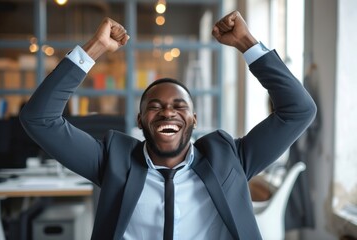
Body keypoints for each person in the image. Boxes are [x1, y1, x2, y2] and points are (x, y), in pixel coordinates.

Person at [20, 10, 316, 240]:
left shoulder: (229, 158)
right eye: (155, 106)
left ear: (193, 120)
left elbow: (298, 110)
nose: (167, 113)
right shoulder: (113, 161)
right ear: (139, 121)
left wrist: (246, 44)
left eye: (179, 106)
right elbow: (39, 119)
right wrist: (94, 49)